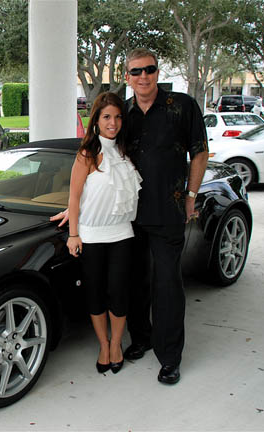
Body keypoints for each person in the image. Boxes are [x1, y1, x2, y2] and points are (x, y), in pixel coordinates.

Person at [52, 48, 209, 384]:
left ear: (157, 72)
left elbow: (200, 152)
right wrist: (77, 205)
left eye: (149, 69)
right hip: (129, 219)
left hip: (167, 212)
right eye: (136, 71)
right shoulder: (123, 114)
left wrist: (191, 196)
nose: (143, 76)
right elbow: (104, 164)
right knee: (134, 283)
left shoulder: (182, 106)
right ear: (127, 77)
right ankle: (141, 338)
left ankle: (169, 357)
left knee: (167, 285)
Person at [66, 91, 142, 374]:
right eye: (107, 117)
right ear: (96, 119)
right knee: (96, 295)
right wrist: (73, 234)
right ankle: (103, 344)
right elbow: (74, 197)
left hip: (122, 234)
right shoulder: (86, 154)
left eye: (118, 117)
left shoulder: (125, 152)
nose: (113, 123)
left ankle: (116, 344)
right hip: (91, 236)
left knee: (119, 294)